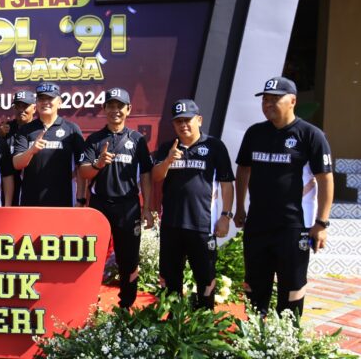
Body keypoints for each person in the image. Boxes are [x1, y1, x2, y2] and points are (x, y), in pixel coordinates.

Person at [235, 76, 333, 317]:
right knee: (254, 286)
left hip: (293, 226)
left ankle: (288, 333)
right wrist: (239, 209)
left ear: (293, 101)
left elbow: (325, 179)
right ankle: (255, 332)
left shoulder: (310, 135)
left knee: (292, 288)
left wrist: (321, 223)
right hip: (257, 224)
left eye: (275, 99)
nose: (268, 104)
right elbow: (243, 169)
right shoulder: (255, 133)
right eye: (265, 99)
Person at [152, 99, 234, 309]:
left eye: (187, 120)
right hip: (172, 225)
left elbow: (226, 184)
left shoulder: (214, 146)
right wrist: (168, 161)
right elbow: (156, 177)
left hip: (202, 225)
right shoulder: (167, 147)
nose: (183, 125)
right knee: (171, 278)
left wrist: (226, 216)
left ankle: (204, 318)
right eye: (178, 121)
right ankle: (174, 320)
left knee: (205, 277)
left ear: (199, 120)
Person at [78, 88, 154, 308]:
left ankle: (126, 306)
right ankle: (90, 304)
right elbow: (83, 172)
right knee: (93, 257)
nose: (115, 111)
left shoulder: (137, 140)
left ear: (128, 109)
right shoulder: (94, 139)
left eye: (120, 106)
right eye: (110, 106)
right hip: (100, 205)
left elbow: (146, 175)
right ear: (104, 109)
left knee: (128, 259)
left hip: (128, 207)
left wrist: (146, 208)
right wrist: (98, 164)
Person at [12, 82, 85, 206]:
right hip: (30, 202)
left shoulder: (72, 129)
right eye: (41, 98)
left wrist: (80, 199)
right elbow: (17, 164)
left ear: (60, 102)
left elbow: (81, 167)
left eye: (50, 98)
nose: (45, 102)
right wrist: (31, 151)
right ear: (36, 103)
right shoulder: (25, 130)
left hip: (63, 202)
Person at [0, 90, 35, 206]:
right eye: (18, 106)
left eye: (25, 106)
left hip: (32, 182)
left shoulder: (39, 129)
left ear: (34, 108)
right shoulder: (5, 128)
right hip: (8, 182)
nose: (21, 110)